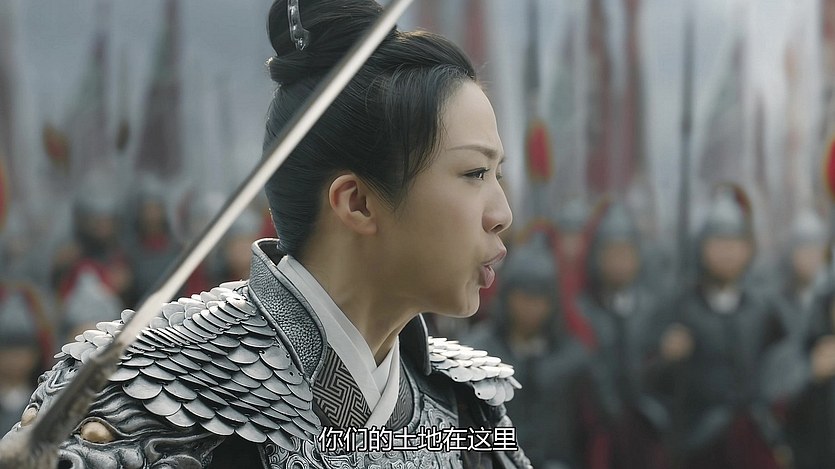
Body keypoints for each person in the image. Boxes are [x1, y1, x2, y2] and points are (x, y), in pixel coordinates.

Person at [3, 1, 531, 467]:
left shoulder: (468, 409)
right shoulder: (138, 395)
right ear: (357, 202)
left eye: (497, 174)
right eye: (474, 173)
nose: (502, 213)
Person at [646, 188, 787, 469]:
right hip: (696, 444)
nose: (727, 252)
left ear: (747, 250)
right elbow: (647, 381)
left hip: (752, 440)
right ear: (702, 247)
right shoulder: (677, 308)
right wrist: (666, 357)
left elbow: (781, 370)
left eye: (735, 244)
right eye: (719, 243)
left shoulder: (764, 309)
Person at [466, 235, 595, 469]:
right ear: (507, 297)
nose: (530, 308)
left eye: (539, 299)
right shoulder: (478, 354)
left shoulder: (573, 357)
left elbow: (590, 429)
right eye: (523, 298)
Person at [577, 202, 670, 469]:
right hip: (598, 434)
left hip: (647, 430)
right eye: (611, 254)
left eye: (626, 254)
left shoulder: (655, 309)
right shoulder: (582, 311)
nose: (619, 263)